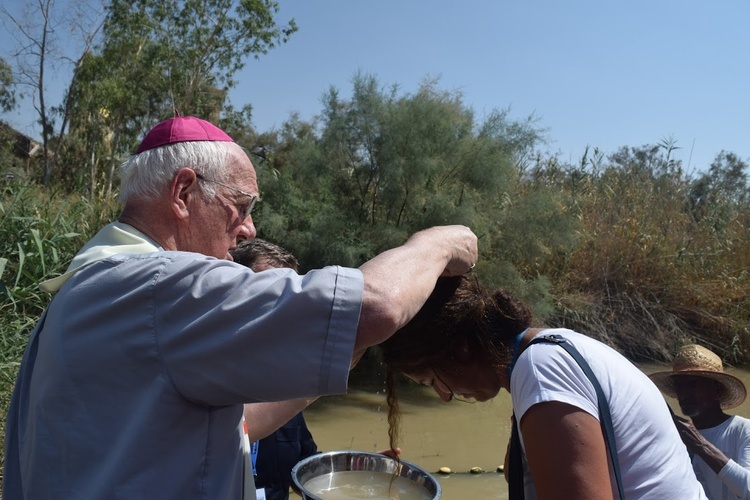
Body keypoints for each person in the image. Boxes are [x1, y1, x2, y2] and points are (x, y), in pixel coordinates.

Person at [2, 115, 478, 499]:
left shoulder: (88, 288)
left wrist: (332, 353)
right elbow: (376, 307)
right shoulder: (160, 285)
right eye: (242, 205)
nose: (249, 229)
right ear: (184, 192)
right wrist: (436, 243)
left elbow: (240, 424)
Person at [379, 275, 708, 499]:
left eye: (433, 380)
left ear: (460, 347)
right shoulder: (544, 354)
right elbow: (516, 475)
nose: (444, 396)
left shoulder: (543, 369)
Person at [231, 238, 318, 500]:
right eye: (268, 291)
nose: (281, 306)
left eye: (289, 294)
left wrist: (353, 473)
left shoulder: (284, 384)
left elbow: (304, 468)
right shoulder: (200, 380)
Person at [649, 344, 750, 500]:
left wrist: (700, 444)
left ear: (716, 390)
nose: (684, 393)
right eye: (679, 385)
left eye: (693, 384)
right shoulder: (674, 435)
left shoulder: (742, 430)